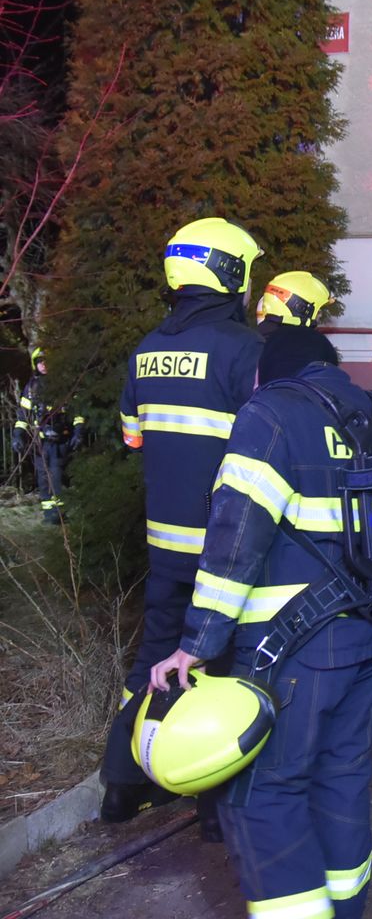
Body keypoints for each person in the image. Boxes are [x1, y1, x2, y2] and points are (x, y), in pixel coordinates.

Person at [149, 325, 372, 919]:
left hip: (295, 649)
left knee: (261, 795)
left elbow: (236, 535)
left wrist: (196, 643)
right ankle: (346, 908)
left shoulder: (271, 414)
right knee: (341, 781)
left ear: (267, 372)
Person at [102, 217, 263, 827]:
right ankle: (217, 814)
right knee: (225, 667)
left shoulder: (147, 349)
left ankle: (123, 784)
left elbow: (133, 438)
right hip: (227, 546)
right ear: (229, 273)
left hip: (165, 544)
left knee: (155, 658)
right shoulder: (246, 350)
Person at [11, 348, 84, 524]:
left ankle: (59, 514)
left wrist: (78, 432)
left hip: (60, 440)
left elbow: (77, 411)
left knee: (56, 475)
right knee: (43, 477)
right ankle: (49, 514)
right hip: (41, 442)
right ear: (35, 365)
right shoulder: (31, 388)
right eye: (40, 362)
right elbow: (23, 416)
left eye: (47, 361)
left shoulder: (65, 385)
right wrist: (18, 435)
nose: (43, 365)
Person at [255, 269, 333, 335]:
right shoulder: (306, 344)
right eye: (317, 312)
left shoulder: (255, 339)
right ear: (300, 308)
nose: (319, 316)